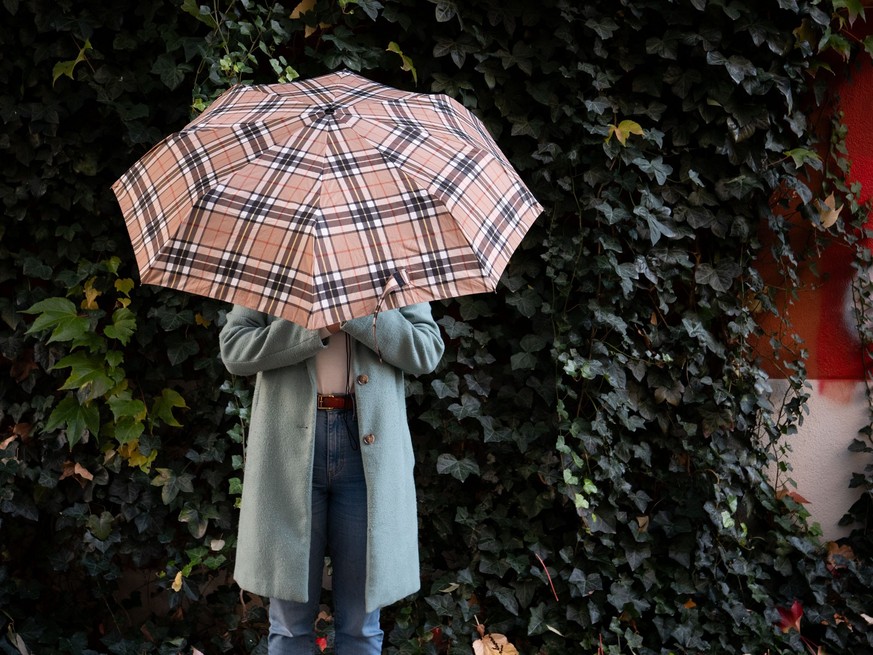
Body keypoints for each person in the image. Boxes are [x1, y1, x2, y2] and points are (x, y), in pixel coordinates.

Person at [219, 302, 444, 654]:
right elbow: (235, 349)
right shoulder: (279, 261)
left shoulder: (391, 262)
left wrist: (355, 315)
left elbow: (426, 351)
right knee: (289, 626)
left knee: (361, 625)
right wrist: (319, 328)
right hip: (287, 455)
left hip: (368, 454)